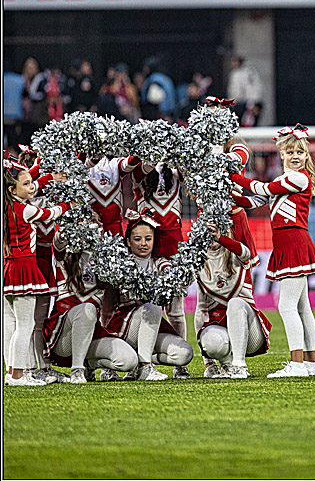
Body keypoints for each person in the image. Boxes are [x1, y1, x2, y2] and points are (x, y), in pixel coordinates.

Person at [231, 125, 315, 378]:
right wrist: (227, 196)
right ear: (281, 154)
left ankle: (297, 364)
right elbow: (254, 201)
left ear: (306, 156)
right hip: (286, 242)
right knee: (302, 307)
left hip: (293, 241)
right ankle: (310, 363)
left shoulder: (300, 178)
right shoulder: (282, 180)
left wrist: (233, 175)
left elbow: (263, 190)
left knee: (287, 306)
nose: (295, 156)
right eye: (290, 152)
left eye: (300, 152)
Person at [103, 210, 194, 380]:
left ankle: (138, 362)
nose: (143, 244)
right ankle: (144, 367)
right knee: (153, 307)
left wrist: (185, 273)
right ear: (128, 241)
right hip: (124, 328)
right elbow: (107, 308)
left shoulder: (159, 263)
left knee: (184, 354)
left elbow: (173, 275)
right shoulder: (121, 265)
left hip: (151, 329)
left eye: (148, 239)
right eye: (137, 239)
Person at [3, 159, 71, 386]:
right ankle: (18, 375)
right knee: (25, 326)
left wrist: (43, 173)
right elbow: (51, 214)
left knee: (15, 325)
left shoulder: (7, 205)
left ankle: (12, 372)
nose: (32, 187)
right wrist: (69, 203)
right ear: (12, 190)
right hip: (24, 268)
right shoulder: (25, 210)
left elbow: (26, 180)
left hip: (9, 267)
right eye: (26, 184)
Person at [42, 233, 138, 383]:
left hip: (90, 335)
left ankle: (89, 365)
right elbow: (58, 239)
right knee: (87, 309)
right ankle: (77, 371)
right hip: (62, 337)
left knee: (128, 361)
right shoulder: (65, 252)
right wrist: (74, 226)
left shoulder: (105, 256)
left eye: (96, 222)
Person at [195, 223, 272, 379]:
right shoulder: (199, 263)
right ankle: (227, 364)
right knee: (211, 340)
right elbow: (200, 310)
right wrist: (208, 363)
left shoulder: (236, 253)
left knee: (235, 303)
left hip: (250, 331)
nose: (212, 234)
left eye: (216, 230)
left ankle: (239, 365)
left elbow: (246, 253)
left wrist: (221, 239)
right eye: (208, 230)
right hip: (221, 327)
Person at [227, 57, 264, 128]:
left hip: (248, 102)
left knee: (249, 124)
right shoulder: (233, 73)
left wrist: (253, 102)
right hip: (237, 102)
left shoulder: (249, 72)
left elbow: (254, 87)